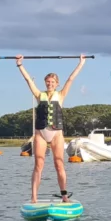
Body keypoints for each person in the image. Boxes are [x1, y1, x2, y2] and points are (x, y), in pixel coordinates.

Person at [16, 54, 87, 203]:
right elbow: (28, 80)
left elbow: (71, 79)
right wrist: (20, 65)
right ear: (45, 83)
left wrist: (81, 63)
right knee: (38, 164)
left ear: (56, 84)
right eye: (48, 82)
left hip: (56, 134)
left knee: (59, 163)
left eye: (52, 82)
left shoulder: (60, 95)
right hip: (41, 134)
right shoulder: (38, 94)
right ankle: (34, 197)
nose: (49, 84)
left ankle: (64, 196)